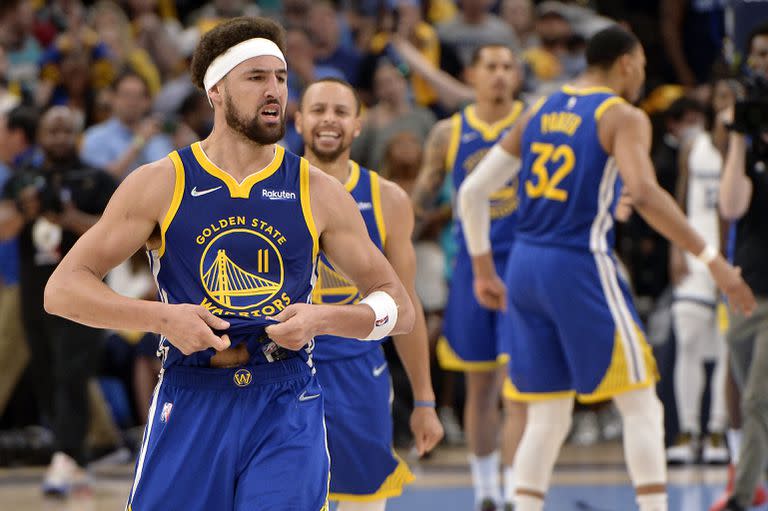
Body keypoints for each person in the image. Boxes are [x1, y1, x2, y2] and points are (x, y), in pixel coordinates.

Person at [43, 17, 415, 511]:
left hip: (285, 400)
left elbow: (399, 306)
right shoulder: (161, 182)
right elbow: (63, 289)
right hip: (190, 392)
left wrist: (324, 319)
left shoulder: (317, 190)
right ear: (216, 91)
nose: (275, 91)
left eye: (281, 78)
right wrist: (162, 318)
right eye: (256, 77)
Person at [457, 26, 755, 511]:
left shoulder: (537, 110)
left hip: (524, 268)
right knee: (642, 403)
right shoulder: (622, 115)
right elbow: (647, 193)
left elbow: (473, 193)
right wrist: (713, 260)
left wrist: (483, 270)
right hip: (577, 263)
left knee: (548, 416)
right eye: (640, 65)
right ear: (627, 63)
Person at [295, 77, 444, 511]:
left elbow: (405, 305)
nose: (329, 120)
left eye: (340, 111)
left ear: (358, 125)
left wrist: (425, 400)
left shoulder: (388, 198)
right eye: (318, 109)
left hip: (359, 369)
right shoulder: (270, 189)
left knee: (366, 500)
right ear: (299, 120)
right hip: (284, 364)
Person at [412, 44, 527, 511]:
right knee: (480, 387)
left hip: (524, 266)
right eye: (490, 66)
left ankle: (521, 492)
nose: (499, 75)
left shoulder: (534, 120)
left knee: (521, 385)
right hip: (471, 268)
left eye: (506, 66)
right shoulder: (449, 131)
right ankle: (485, 492)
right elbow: (419, 198)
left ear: (516, 75)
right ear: (472, 74)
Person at [0, 105, 117, 495]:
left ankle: (66, 457)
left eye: (67, 131)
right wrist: (24, 209)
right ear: (41, 136)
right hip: (35, 293)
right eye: (52, 131)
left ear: (78, 135)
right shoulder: (23, 180)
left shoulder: (95, 179)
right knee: (47, 375)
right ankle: (74, 455)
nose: (59, 138)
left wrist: (67, 217)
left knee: (72, 373)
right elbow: (3, 228)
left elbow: (113, 234)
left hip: (84, 292)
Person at [714, 21, 768, 511]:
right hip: (751, 282)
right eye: (759, 56)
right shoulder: (751, 139)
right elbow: (731, 206)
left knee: (757, 398)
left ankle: (744, 493)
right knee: (751, 394)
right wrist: (737, 138)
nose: (764, 65)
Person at [666, 95, 728, 465]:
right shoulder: (693, 146)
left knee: (726, 347)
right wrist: (676, 249)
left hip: (732, 257)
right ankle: (688, 429)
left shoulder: (751, 147)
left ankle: (719, 429)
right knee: (687, 338)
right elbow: (677, 201)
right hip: (694, 253)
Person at [79, 71, 174, 180]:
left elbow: (172, 176)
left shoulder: (160, 135)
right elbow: (104, 180)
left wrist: (183, 134)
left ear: (147, 102)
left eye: (138, 96)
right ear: (112, 98)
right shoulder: (94, 137)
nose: (132, 102)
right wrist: (139, 142)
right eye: (126, 95)